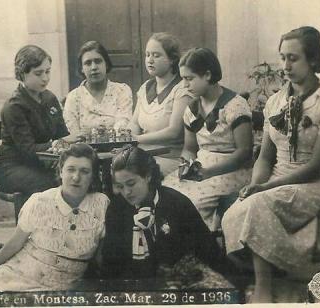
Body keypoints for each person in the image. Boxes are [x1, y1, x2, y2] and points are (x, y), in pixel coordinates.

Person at [222, 26, 320, 303]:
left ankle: (264, 288)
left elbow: (316, 166)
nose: (285, 66)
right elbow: (265, 157)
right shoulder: (274, 102)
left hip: (317, 180)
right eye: (282, 57)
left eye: (293, 58)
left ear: (312, 60)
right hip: (277, 176)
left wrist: (266, 188)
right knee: (235, 211)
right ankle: (278, 276)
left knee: (258, 205)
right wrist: (254, 185)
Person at [0, 143, 109, 291]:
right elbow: (14, 245)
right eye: (70, 169)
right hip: (19, 274)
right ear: (61, 172)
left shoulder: (101, 204)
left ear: (93, 176)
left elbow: (101, 257)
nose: (76, 177)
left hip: (60, 288)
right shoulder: (40, 201)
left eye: (84, 171)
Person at [101, 145, 239, 289]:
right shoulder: (116, 210)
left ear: (147, 175)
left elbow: (207, 249)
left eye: (131, 183)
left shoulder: (176, 203)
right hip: (134, 282)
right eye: (120, 186)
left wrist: (237, 284)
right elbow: (111, 264)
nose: (127, 192)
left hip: (178, 279)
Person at [163, 47, 253, 231]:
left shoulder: (235, 105)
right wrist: (186, 165)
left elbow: (244, 151)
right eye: (183, 79)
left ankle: (201, 249)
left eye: (189, 79)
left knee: (192, 202)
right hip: (201, 166)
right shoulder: (192, 108)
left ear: (207, 75)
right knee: (166, 194)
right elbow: (189, 148)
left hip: (231, 169)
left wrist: (210, 172)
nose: (185, 85)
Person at [0, 45, 72, 196]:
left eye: (48, 71)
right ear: (22, 73)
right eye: (38, 73)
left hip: (42, 164)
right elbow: (27, 151)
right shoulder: (14, 106)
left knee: (78, 177)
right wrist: (59, 143)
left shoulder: (49, 98)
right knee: (52, 184)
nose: (45, 78)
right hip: (13, 168)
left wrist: (67, 142)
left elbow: (62, 134)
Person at [129, 33, 195, 174]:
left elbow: (174, 132)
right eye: (147, 55)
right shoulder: (145, 87)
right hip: (142, 154)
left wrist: (137, 139)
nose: (150, 60)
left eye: (156, 55)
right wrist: (129, 141)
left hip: (169, 158)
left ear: (172, 59)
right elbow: (134, 123)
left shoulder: (182, 88)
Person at [63, 41, 133, 139]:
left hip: (118, 148)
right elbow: (75, 135)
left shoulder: (122, 91)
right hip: (85, 152)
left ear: (106, 64)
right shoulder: (73, 97)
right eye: (88, 63)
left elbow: (122, 126)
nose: (94, 67)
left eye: (98, 61)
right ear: (82, 68)